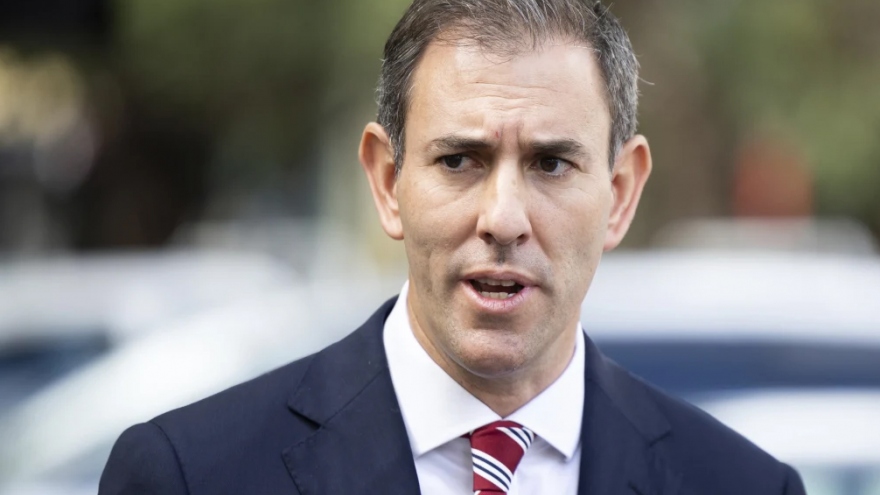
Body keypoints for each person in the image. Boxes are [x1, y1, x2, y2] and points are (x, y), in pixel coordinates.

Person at [99, 1, 807, 494]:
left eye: (551, 163)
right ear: (387, 180)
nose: (504, 218)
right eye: (460, 160)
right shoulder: (192, 476)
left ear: (620, 193)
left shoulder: (742, 485)